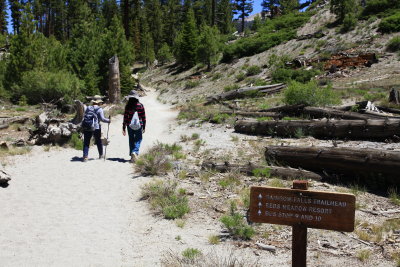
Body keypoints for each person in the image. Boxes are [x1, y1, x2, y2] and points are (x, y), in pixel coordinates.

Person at [82, 96, 111, 162]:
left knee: (86, 142)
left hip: (87, 126)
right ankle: (101, 155)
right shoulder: (99, 109)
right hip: (96, 127)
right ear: (99, 103)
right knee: (98, 141)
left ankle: (85, 157)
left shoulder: (88, 108)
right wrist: (108, 120)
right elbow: (102, 119)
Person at [122, 90, 146, 162]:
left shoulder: (128, 106)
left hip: (130, 125)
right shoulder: (140, 105)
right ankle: (135, 152)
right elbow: (143, 116)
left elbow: (125, 117)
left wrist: (124, 127)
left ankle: (132, 156)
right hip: (139, 125)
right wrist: (144, 126)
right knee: (138, 139)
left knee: (131, 140)